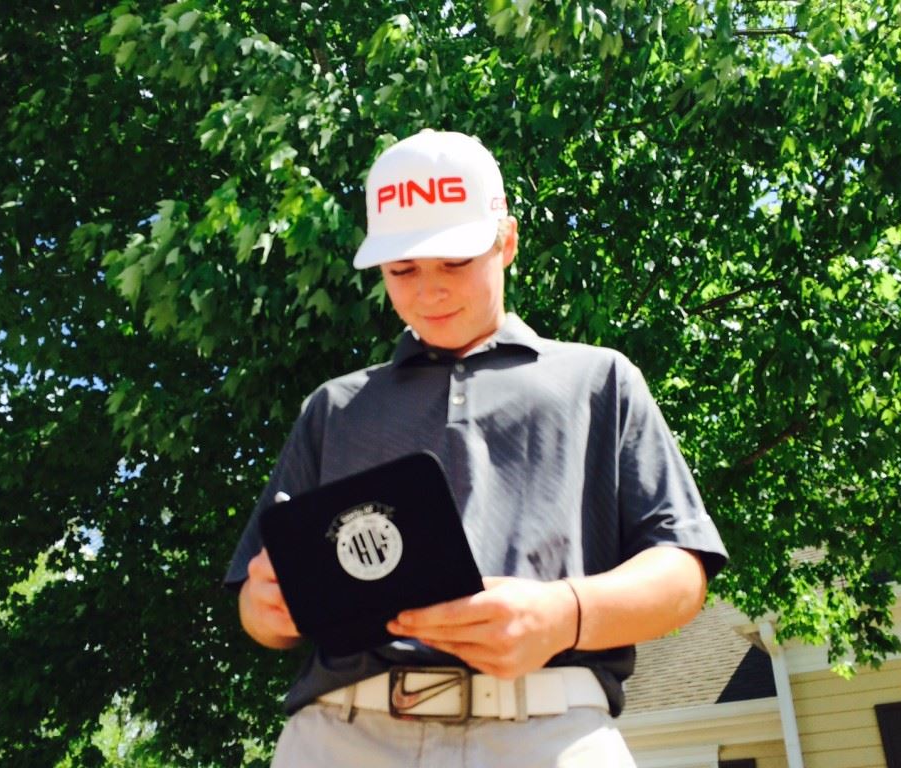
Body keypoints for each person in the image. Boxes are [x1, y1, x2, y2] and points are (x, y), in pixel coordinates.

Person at [225, 129, 728, 767]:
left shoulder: (600, 380)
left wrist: (563, 614)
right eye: (403, 268)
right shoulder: (335, 407)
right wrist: (265, 607)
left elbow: (683, 575)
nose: (429, 290)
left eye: (456, 261)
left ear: (507, 242)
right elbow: (256, 597)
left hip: (549, 728)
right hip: (342, 733)